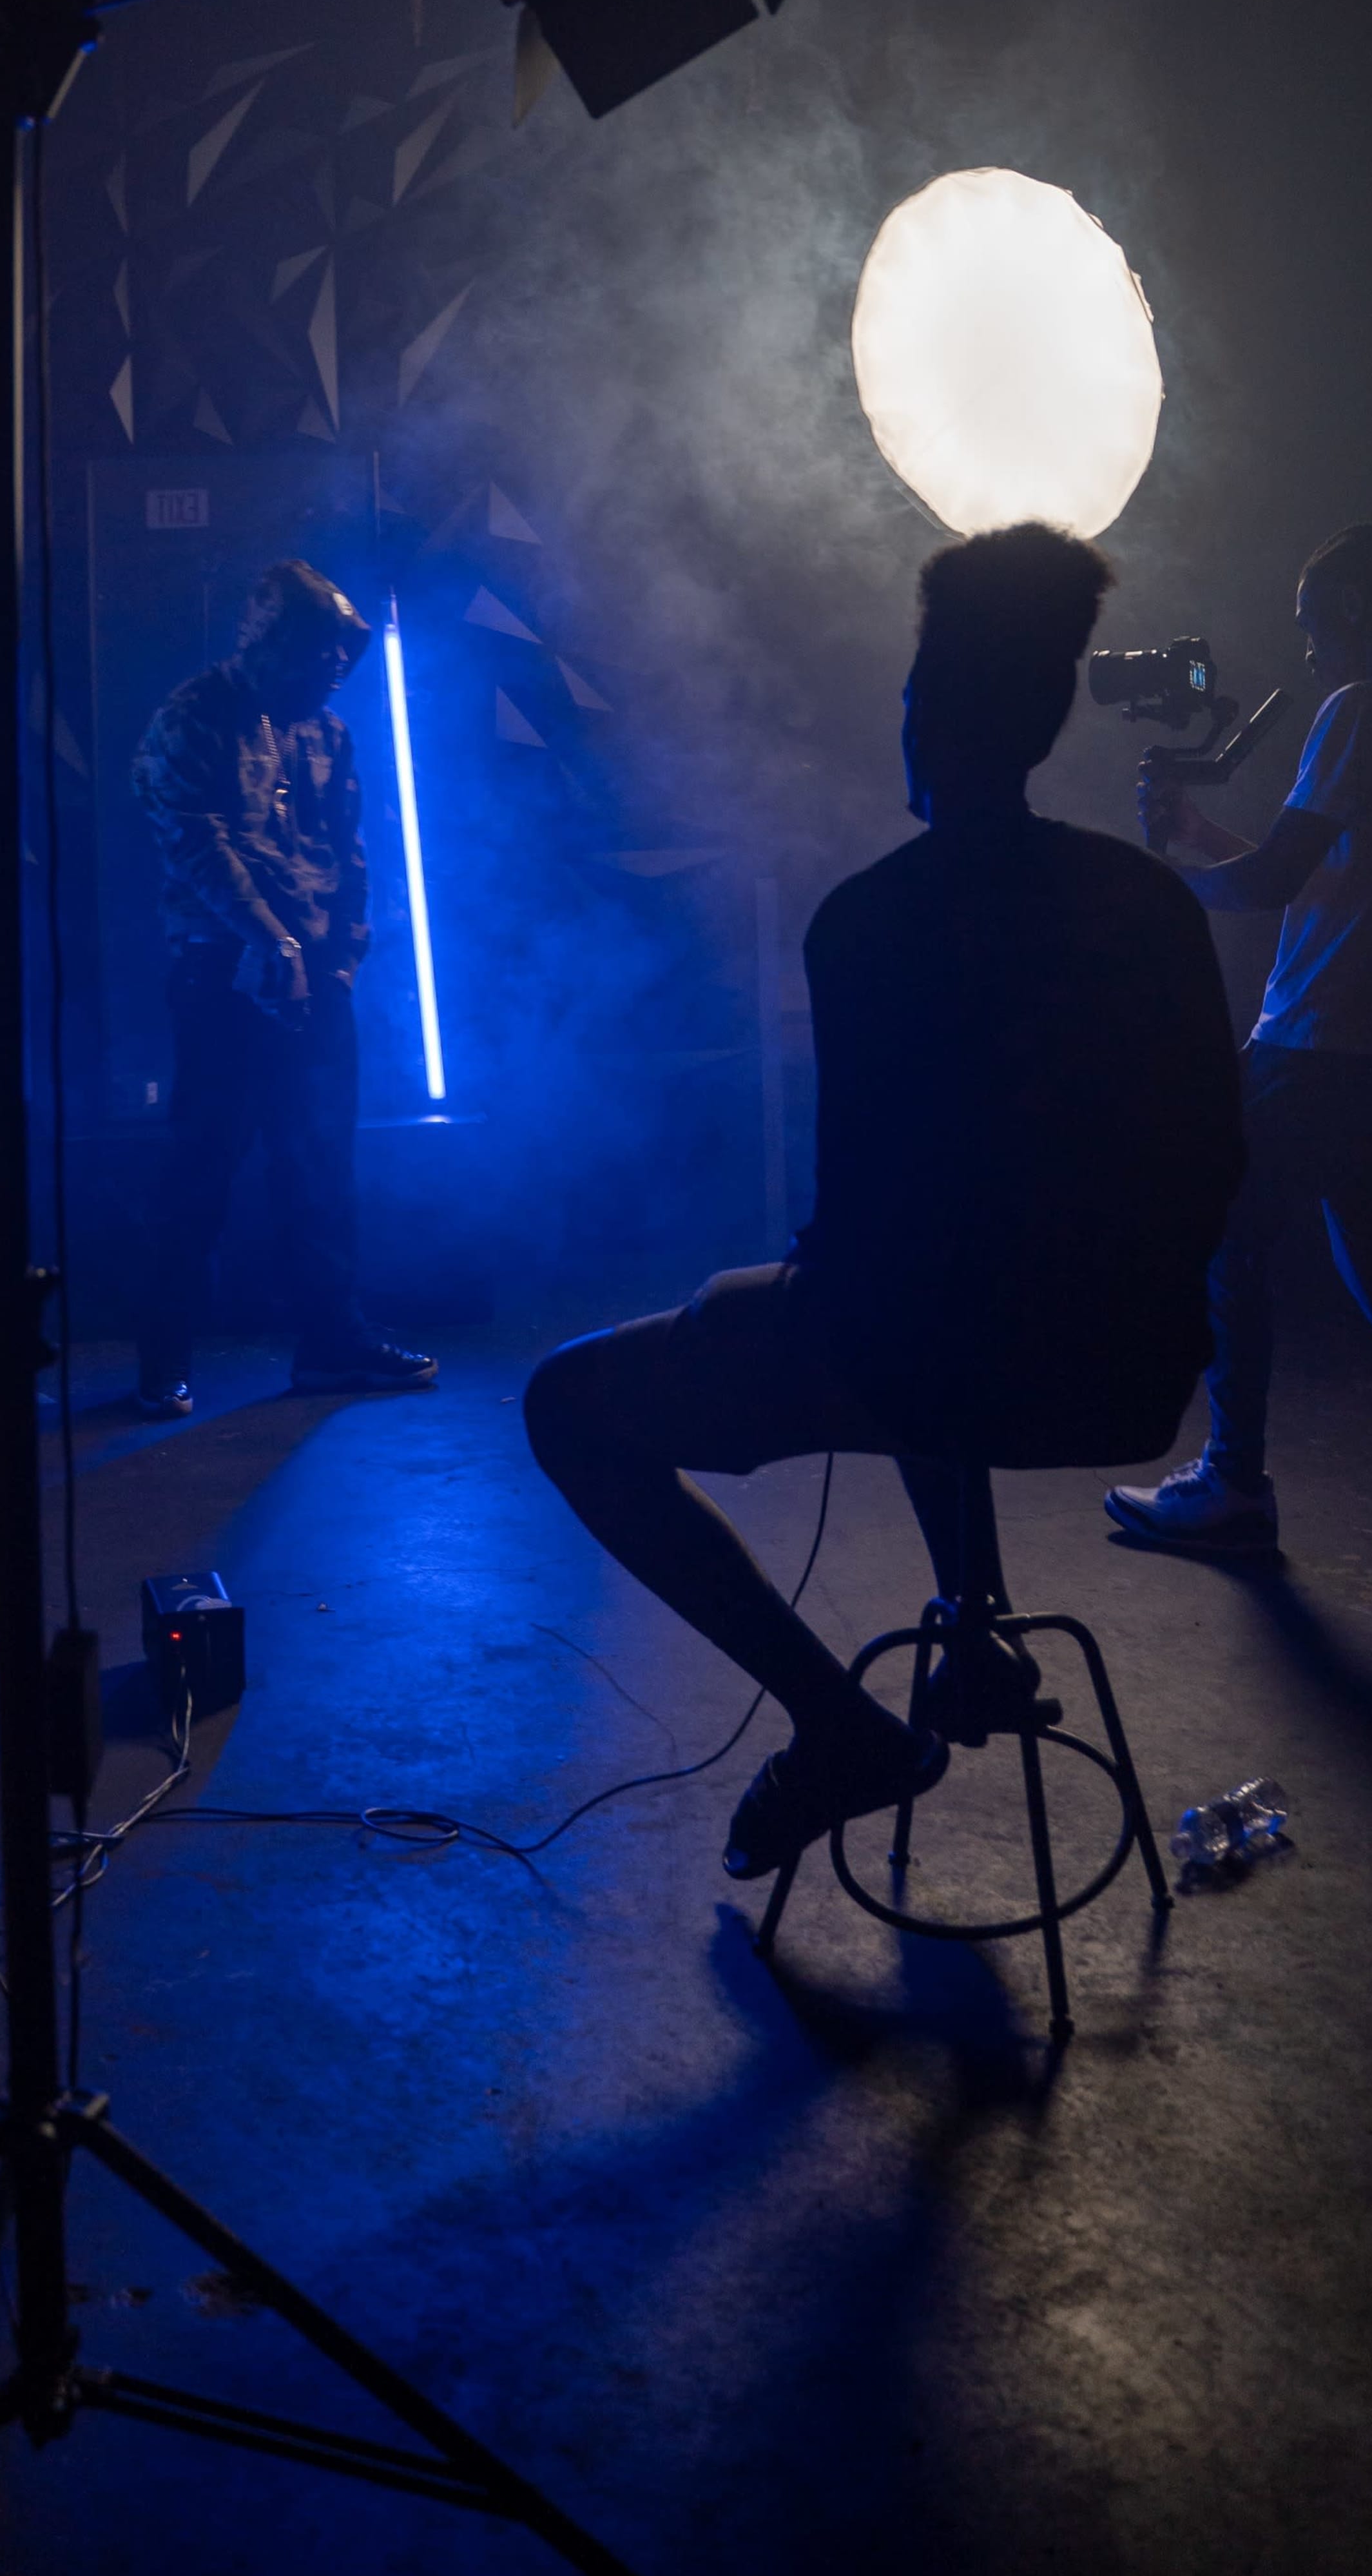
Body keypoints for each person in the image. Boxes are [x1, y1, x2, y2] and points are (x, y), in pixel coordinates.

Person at [526, 525, 1244, 1887]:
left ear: (924, 715)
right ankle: (973, 1619)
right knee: (941, 1311)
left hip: (932, 1354)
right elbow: (1213, 1159)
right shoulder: (1151, 904)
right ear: (1046, 716)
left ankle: (840, 1724)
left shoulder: (868, 920)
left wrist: (749, 1302)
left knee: (568, 1402)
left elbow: (872, 1245)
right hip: (1128, 1378)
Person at [1105, 524, 1372, 1579]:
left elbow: (1270, 884)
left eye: (1310, 625)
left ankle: (1233, 1484)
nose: (1305, 650)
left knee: (1230, 1233)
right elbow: (1328, 876)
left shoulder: (1361, 710)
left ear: (1347, 609)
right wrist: (1198, 836)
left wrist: (1154, 885)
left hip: (1319, 1036)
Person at [129, 558, 436, 1416]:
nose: (333, 670)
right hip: (221, 977)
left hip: (313, 978)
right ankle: (163, 1359)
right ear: (272, 643)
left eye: (342, 657)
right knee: (204, 1166)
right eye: (319, 654)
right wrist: (272, 941)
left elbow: (350, 852)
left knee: (322, 1164)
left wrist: (340, 957)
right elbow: (197, 842)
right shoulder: (194, 716)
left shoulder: (325, 734)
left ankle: (331, 1342)